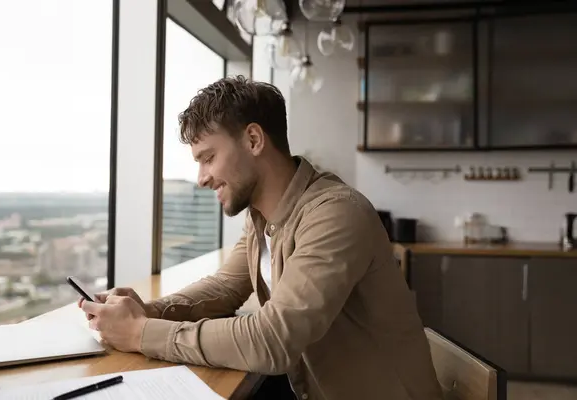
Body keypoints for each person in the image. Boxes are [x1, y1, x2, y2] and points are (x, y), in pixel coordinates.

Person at [78, 75, 443, 400]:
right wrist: (146, 311)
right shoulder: (262, 217)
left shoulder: (335, 213)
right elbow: (225, 286)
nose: (202, 178)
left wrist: (141, 333)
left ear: (253, 139)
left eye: (208, 157)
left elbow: (272, 341)